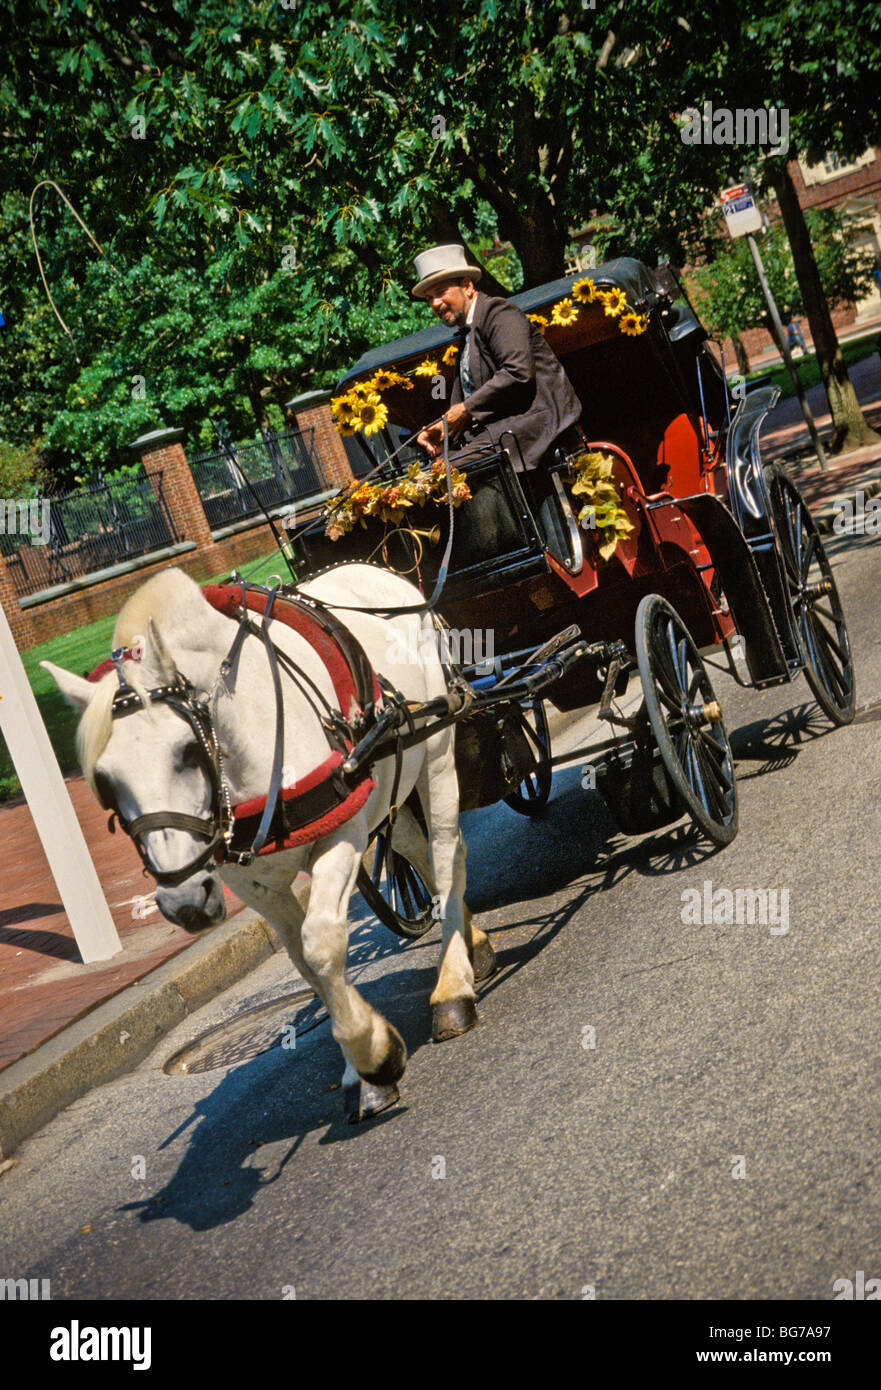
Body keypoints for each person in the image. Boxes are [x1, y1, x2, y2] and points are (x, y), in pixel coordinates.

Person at [412, 243, 583, 473]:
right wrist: (444, 428)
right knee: (428, 473)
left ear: (468, 286)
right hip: (497, 434)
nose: (434, 304)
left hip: (534, 428)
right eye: (429, 298)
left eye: (441, 293)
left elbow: (517, 372)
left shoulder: (498, 313)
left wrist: (466, 409)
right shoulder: (466, 336)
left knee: (446, 474)